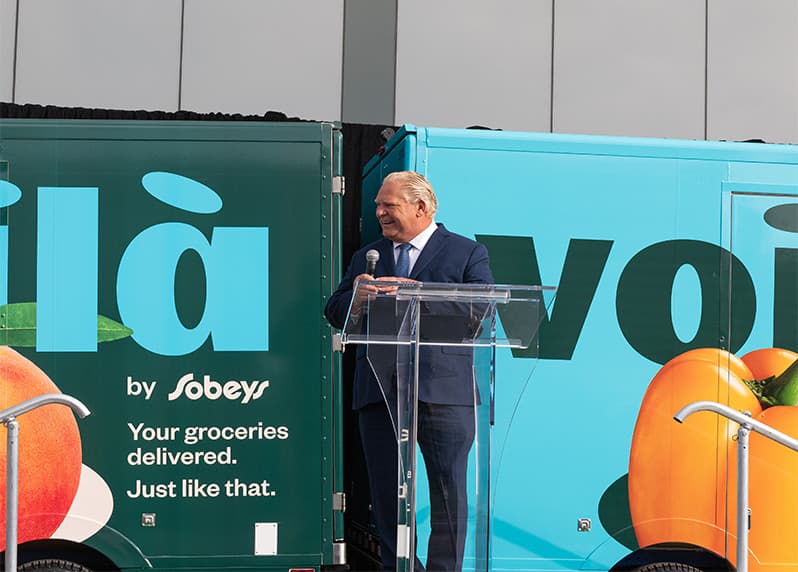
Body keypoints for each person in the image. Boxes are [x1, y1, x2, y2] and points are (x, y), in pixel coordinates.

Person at [325, 171, 494, 572]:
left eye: (389, 205)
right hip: (380, 392)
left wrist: (414, 295)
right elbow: (334, 313)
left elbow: (480, 308)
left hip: (444, 392)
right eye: (378, 206)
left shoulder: (466, 252)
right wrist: (358, 298)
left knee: (448, 493)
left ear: (421, 207)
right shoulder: (367, 257)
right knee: (387, 495)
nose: (380, 212)